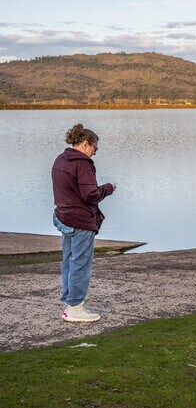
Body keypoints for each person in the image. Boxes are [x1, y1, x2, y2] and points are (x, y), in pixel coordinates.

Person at [52, 123, 115, 322]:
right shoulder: (82, 163)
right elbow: (91, 194)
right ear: (86, 144)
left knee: (69, 262)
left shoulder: (61, 159)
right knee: (80, 265)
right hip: (80, 222)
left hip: (64, 219)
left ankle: (70, 303)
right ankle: (76, 309)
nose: (95, 153)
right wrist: (109, 188)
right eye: (95, 149)